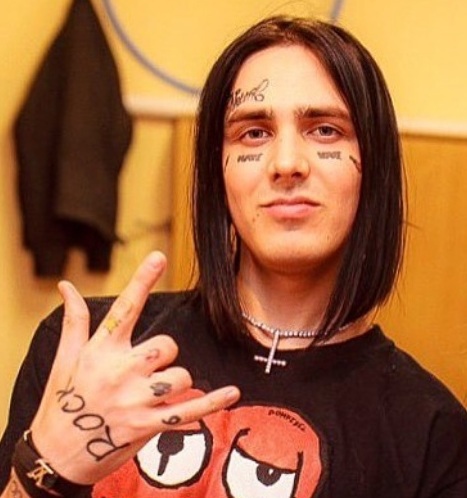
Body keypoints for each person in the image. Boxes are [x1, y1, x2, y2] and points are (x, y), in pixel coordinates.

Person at [1, 14, 466, 498]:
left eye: (326, 130)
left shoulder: (430, 434)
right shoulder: (90, 357)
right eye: (254, 133)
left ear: (373, 168)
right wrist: (46, 468)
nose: (287, 163)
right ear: (219, 175)